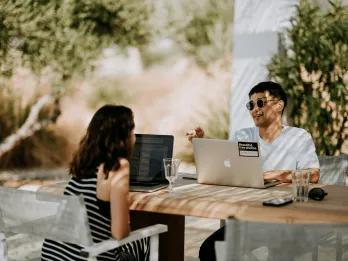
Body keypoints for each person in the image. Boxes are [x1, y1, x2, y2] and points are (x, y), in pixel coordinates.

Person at [187, 81, 320, 261]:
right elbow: (224, 165)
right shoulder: (243, 136)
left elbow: (313, 174)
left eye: (260, 103)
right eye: (251, 104)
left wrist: (272, 175)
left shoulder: (299, 137)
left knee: (280, 252)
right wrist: (202, 142)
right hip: (248, 218)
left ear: (279, 105)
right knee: (209, 251)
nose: (254, 109)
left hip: (287, 220)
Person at [41, 105, 149, 261]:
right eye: (132, 132)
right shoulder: (118, 167)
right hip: (89, 257)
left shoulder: (84, 162)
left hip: (52, 256)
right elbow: (120, 234)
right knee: (141, 241)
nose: (134, 137)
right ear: (122, 137)